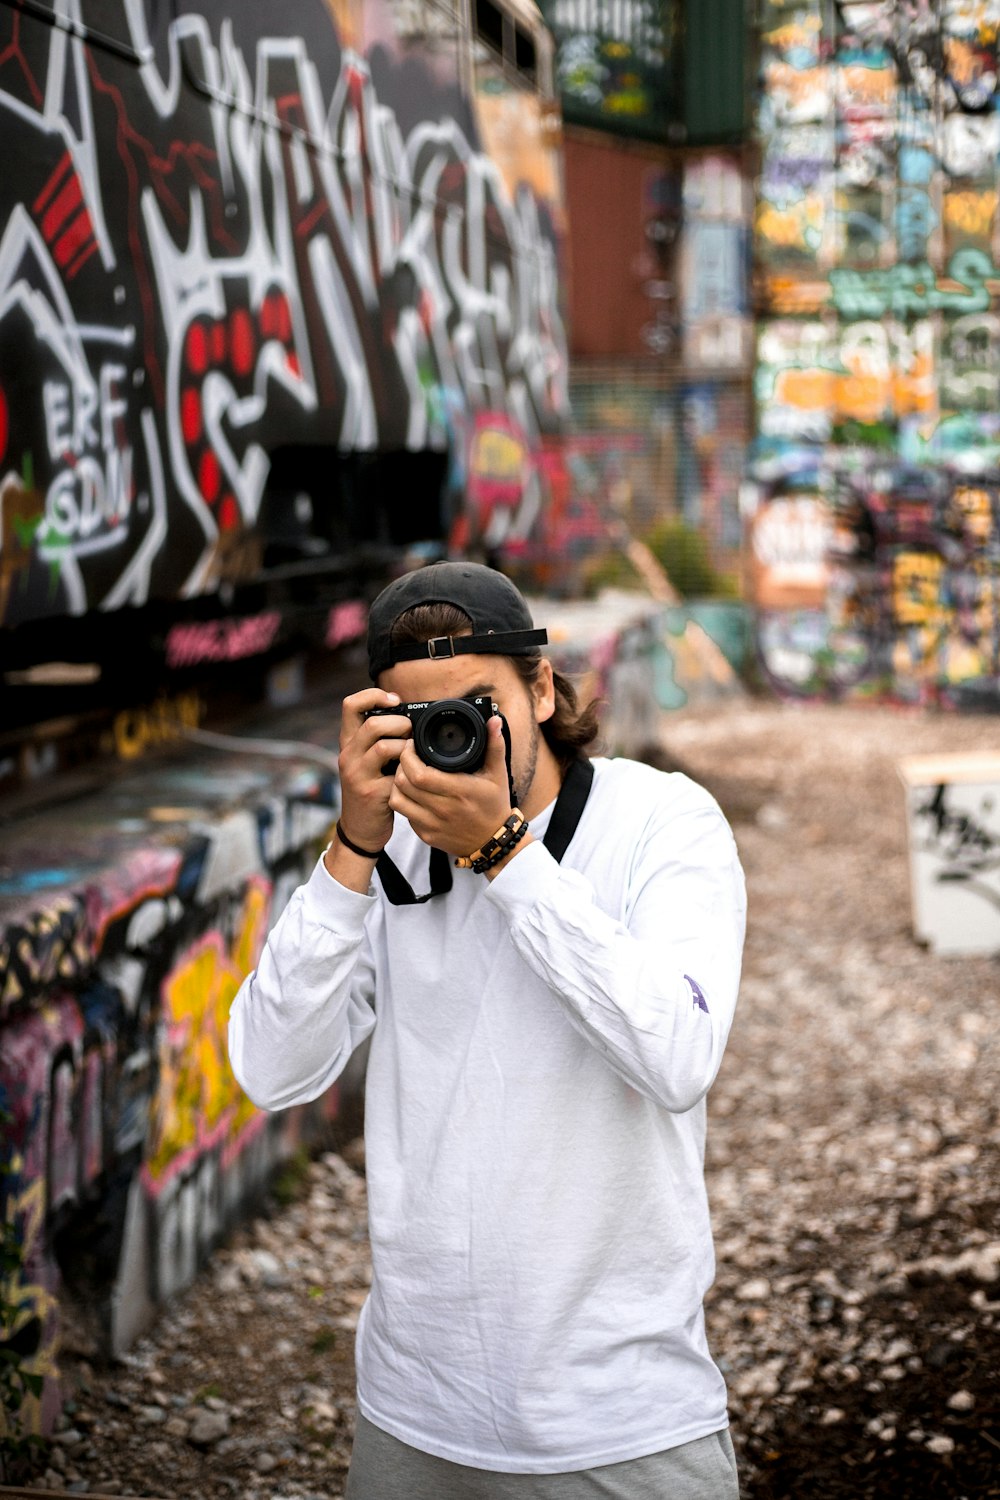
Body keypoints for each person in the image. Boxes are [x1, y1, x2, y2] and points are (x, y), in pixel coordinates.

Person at [228, 561, 746, 1500]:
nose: (450, 738)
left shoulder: (662, 823)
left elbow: (678, 1056)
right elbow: (270, 1070)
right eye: (420, 717)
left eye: (475, 707)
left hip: (621, 1420)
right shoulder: (392, 857)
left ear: (541, 689)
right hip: (415, 1415)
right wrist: (352, 847)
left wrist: (507, 856)